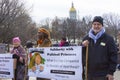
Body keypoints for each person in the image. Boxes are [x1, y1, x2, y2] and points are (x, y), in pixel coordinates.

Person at [82, 16, 117, 80]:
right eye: (94, 24)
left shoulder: (108, 39)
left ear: (102, 26)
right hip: (89, 74)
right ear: (92, 25)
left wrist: (111, 72)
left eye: (98, 24)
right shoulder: (86, 38)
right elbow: (81, 55)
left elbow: (113, 56)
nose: (96, 26)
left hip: (103, 74)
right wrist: (82, 46)